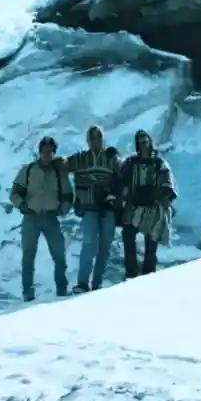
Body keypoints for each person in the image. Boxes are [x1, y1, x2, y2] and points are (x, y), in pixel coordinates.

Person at [56, 125, 122, 294]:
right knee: (88, 243)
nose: (95, 140)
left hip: (108, 208)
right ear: (88, 140)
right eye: (92, 137)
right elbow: (63, 165)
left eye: (98, 137)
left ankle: (97, 283)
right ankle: (83, 283)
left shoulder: (111, 158)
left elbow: (125, 173)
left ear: (103, 138)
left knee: (105, 246)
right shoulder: (81, 158)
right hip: (89, 208)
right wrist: (60, 161)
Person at [9, 136, 74, 302]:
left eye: (51, 152)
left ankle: (61, 289)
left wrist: (63, 209)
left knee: (59, 255)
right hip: (31, 217)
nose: (48, 155)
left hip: (51, 218)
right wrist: (23, 206)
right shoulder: (29, 170)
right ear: (39, 152)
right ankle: (27, 293)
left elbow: (68, 195)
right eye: (45, 152)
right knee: (28, 257)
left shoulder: (59, 173)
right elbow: (15, 192)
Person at [119, 129, 178, 278]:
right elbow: (122, 181)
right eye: (140, 143)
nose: (143, 146)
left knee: (152, 239)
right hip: (136, 205)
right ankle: (131, 272)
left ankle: (148, 274)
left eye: (145, 142)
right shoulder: (131, 163)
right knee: (128, 232)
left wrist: (157, 194)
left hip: (154, 206)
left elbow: (168, 186)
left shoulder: (160, 163)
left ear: (150, 142)